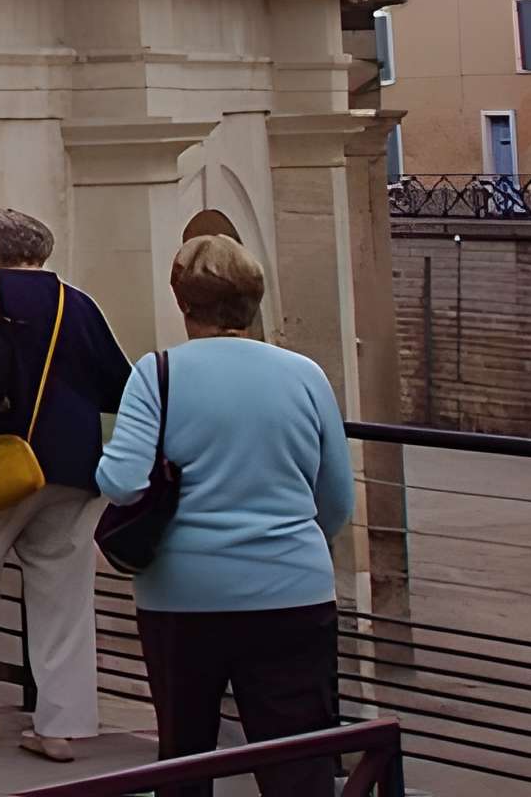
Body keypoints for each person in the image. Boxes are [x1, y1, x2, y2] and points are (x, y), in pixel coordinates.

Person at [95, 235, 354, 797]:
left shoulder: (157, 374)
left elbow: (119, 482)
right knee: (298, 760)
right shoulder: (304, 374)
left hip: (182, 598)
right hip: (293, 592)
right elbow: (336, 499)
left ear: (184, 303)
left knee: (184, 759)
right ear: (253, 301)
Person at [0, 207, 134, 762]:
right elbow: (118, 383)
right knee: (64, 595)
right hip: (75, 464)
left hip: (4, 458)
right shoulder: (77, 303)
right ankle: (63, 725)